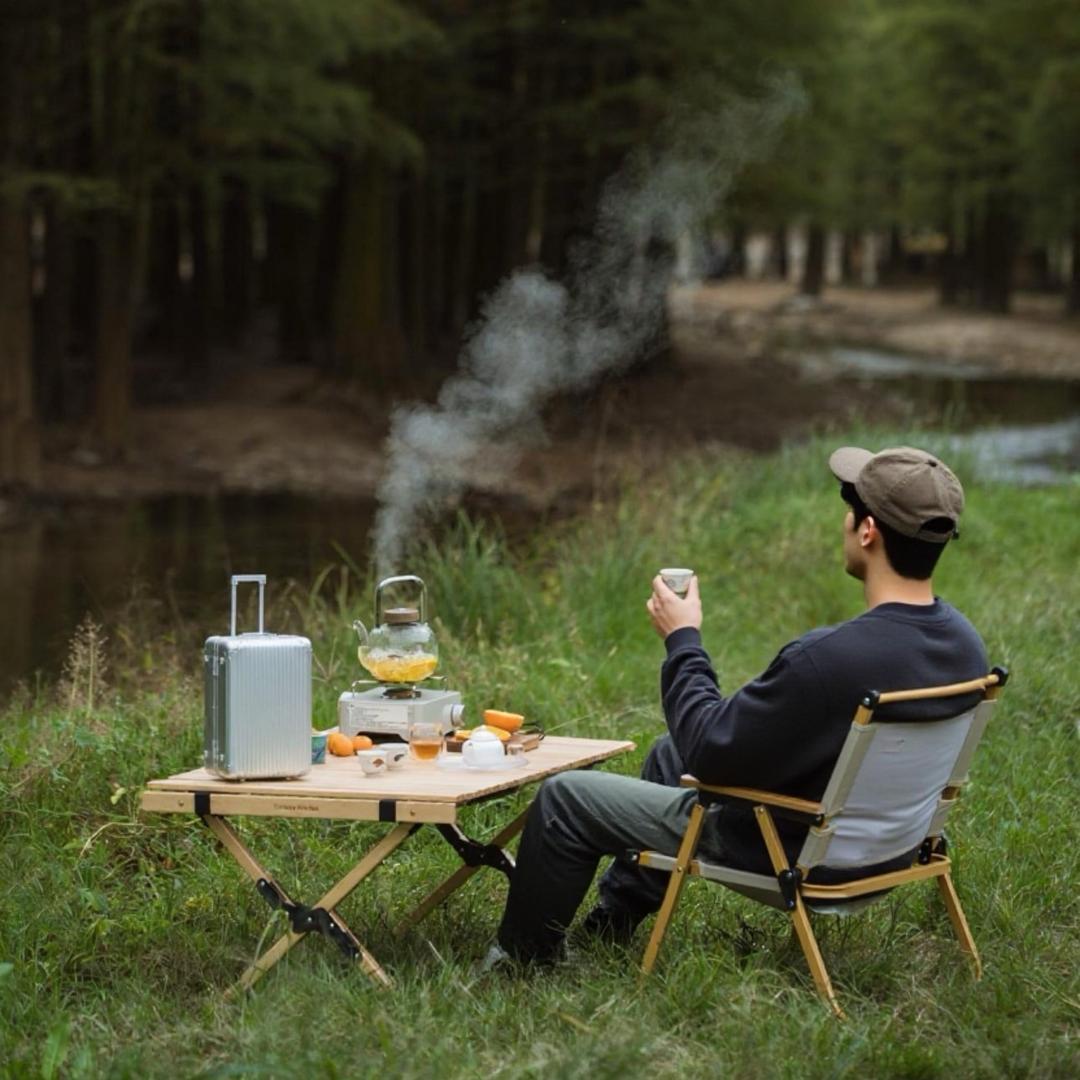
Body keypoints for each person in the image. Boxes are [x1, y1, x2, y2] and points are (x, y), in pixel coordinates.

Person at [491, 445, 988, 966]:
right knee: (668, 753)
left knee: (566, 798)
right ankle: (613, 923)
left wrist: (683, 639)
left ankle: (521, 959)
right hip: (891, 850)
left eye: (850, 511)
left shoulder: (828, 659)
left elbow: (710, 751)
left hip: (786, 849)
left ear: (867, 531)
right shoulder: (965, 646)